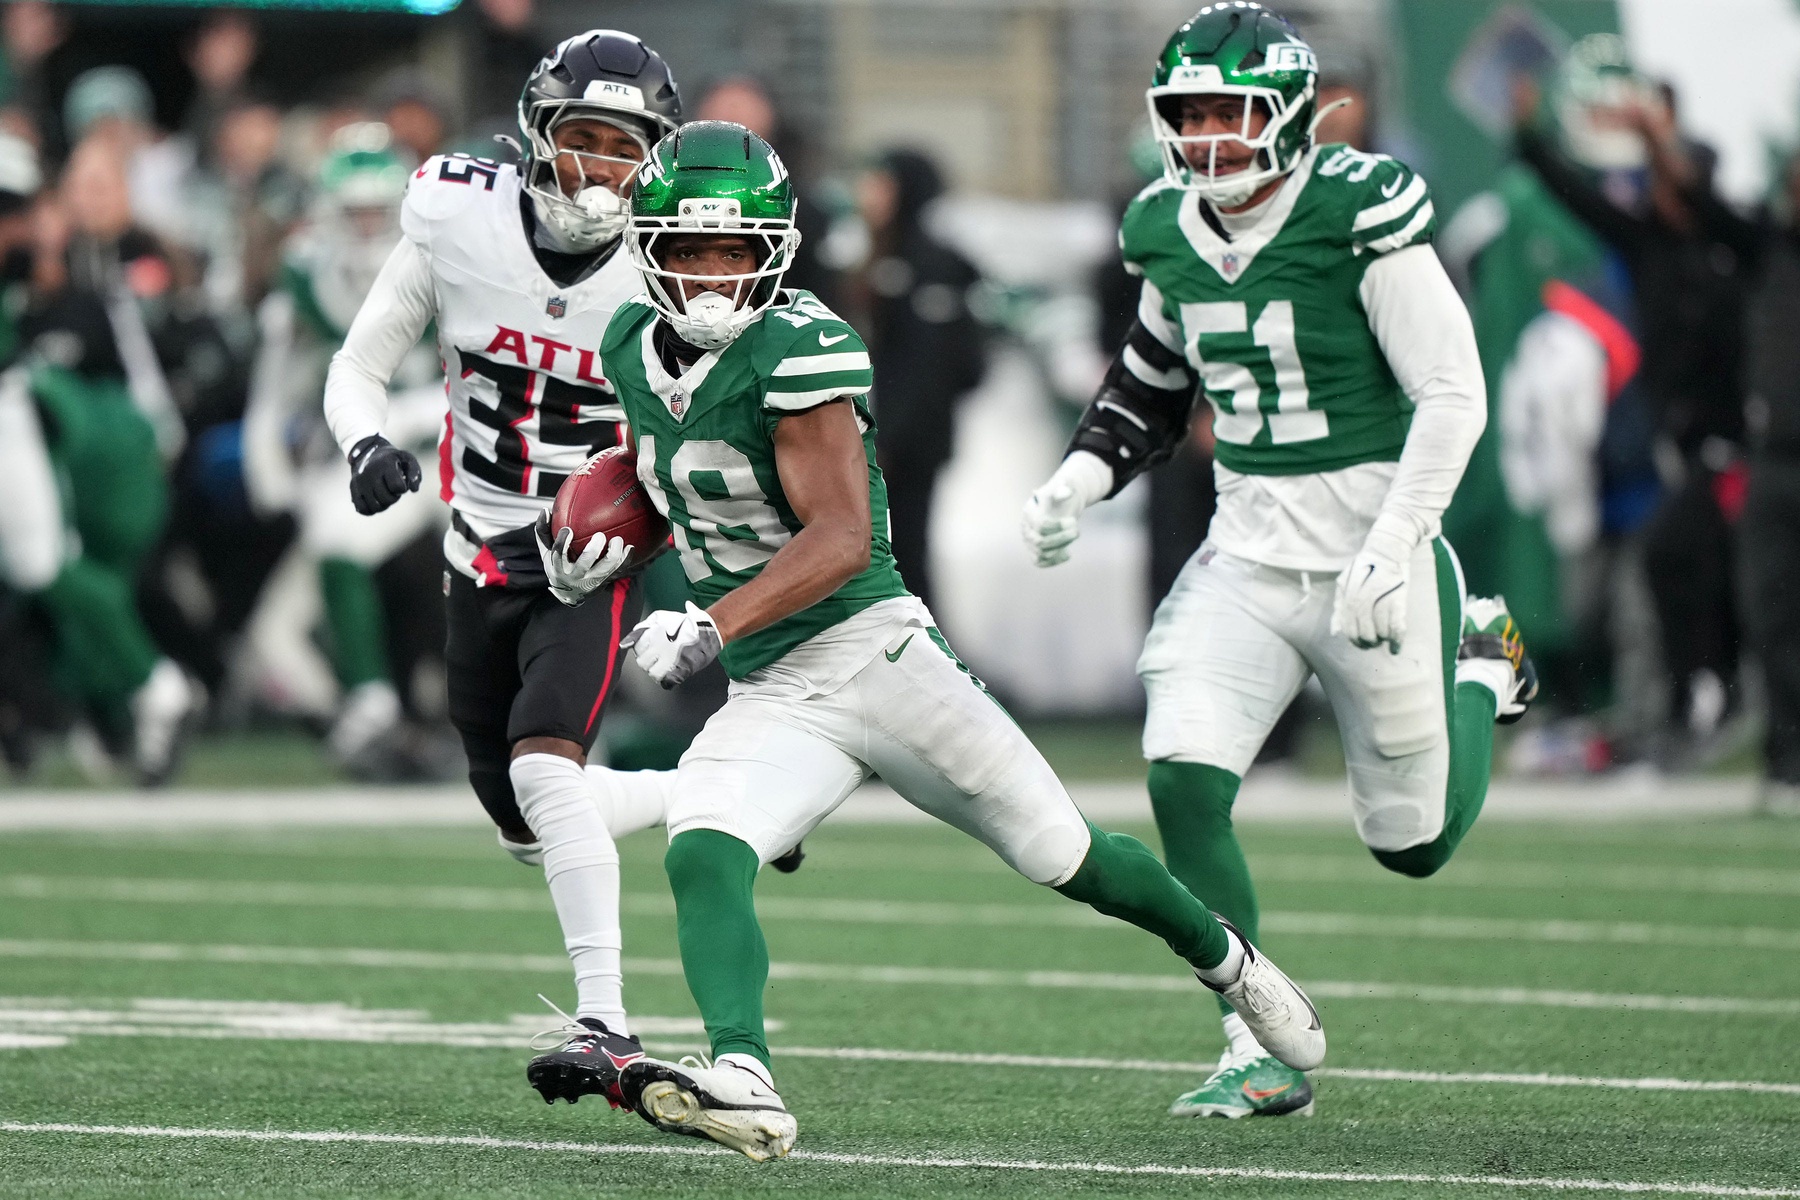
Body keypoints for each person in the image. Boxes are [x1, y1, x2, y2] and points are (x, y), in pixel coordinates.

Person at [546, 120, 1325, 1163]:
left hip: (877, 654)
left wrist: (708, 616)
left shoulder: (802, 346)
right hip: (774, 683)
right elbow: (667, 479)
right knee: (704, 847)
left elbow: (840, 538)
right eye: (687, 249)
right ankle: (742, 1072)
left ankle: (1228, 961)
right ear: (652, 248)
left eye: (732, 252)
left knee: (1064, 855)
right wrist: (593, 541)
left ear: (771, 247)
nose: (709, 275)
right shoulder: (629, 348)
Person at [1020, 5, 1535, 1120]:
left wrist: (1398, 545)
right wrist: (1081, 474)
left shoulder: (1358, 211)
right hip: (1246, 554)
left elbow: (1454, 393)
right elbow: (1153, 380)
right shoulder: (1166, 226)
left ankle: (1486, 662)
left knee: (1413, 847)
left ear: (1292, 117)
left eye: (1232, 112)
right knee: (1181, 777)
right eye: (1188, 115)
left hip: (1372, 549)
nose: (1208, 139)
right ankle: (1250, 1035)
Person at [322, 30, 683, 1108]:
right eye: (583, 139)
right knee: (522, 819)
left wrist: (673, 540)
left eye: (627, 149)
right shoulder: (457, 215)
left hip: (586, 559)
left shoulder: (668, 263)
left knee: (543, 768)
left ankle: (607, 1023)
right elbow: (360, 361)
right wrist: (363, 443)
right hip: (474, 547)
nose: (603, 170)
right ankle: (712, 790)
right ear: (536, 133)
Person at [241, 123, 449, 776]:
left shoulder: (450, 260)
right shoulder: (307, 276)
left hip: (453, 453)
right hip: (359, 462)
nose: (364, 226)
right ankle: (372, 722)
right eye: (351, 210)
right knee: (275, 634)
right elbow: (276, 389)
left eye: (375, 210)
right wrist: (271, 472)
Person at [850, 148, 985, 611]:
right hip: (885, 442)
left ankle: (923, 659)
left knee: (905, 554)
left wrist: (888, 439)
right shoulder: (874, 255)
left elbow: (937, 365)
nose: (866, 194)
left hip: (906, 446)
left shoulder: (927, 263)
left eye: (879, 183)